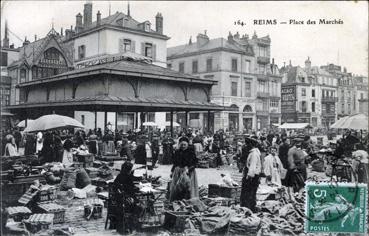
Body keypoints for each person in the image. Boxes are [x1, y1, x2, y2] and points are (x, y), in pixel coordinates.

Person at [113, 162, 142, 234]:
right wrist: (137, 189)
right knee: (140, 206)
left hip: (119, 199)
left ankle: (131, 224)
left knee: (136, 202)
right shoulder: (128, 177)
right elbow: (131, 190)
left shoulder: (119, 176)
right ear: (128, 170)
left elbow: (116, 186)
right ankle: (133, 225)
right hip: (125, 199)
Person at [169, 136, 198, 202]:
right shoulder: (177, 152)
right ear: (179, 145)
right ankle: (177, 200)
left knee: (188, 188)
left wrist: (188, 169)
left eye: (185, 145)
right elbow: (175, 163)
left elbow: (195, 164)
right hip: (178, 171)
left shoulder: (191, 152)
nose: (183, 146)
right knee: (177, 187)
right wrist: (172, 171)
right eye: (182, 145)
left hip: (189, 171)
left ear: (187, 144)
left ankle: (189, 200)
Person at [240, 138, 261, 212]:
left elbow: (252, 166)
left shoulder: (254, 154)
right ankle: (251, 207)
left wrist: (248, 177)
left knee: (248, 193)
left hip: (252, 177)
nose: (245, 145)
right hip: (254, 176)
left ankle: (248, 208)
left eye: (247, 144)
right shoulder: (253, 152)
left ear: (251, 144)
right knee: (251, 193)